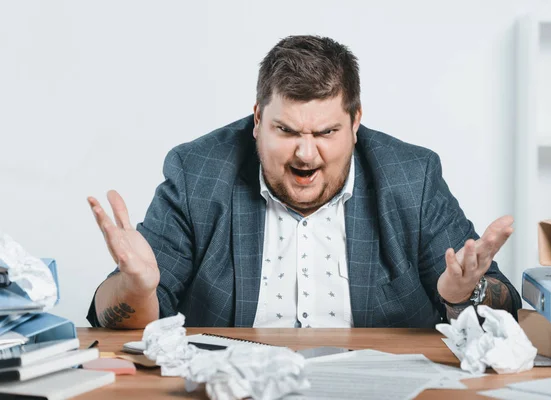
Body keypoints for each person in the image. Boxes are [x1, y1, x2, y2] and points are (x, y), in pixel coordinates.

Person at [86, 35, 521, 329]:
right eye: (287, 131)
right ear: (257, 120)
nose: (306, 154)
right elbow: (117, 320)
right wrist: (138, 289)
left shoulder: (411, 177)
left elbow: (506, 307)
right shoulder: (198, 172)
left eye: (326, 133)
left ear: (356, 122)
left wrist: (466, 294)